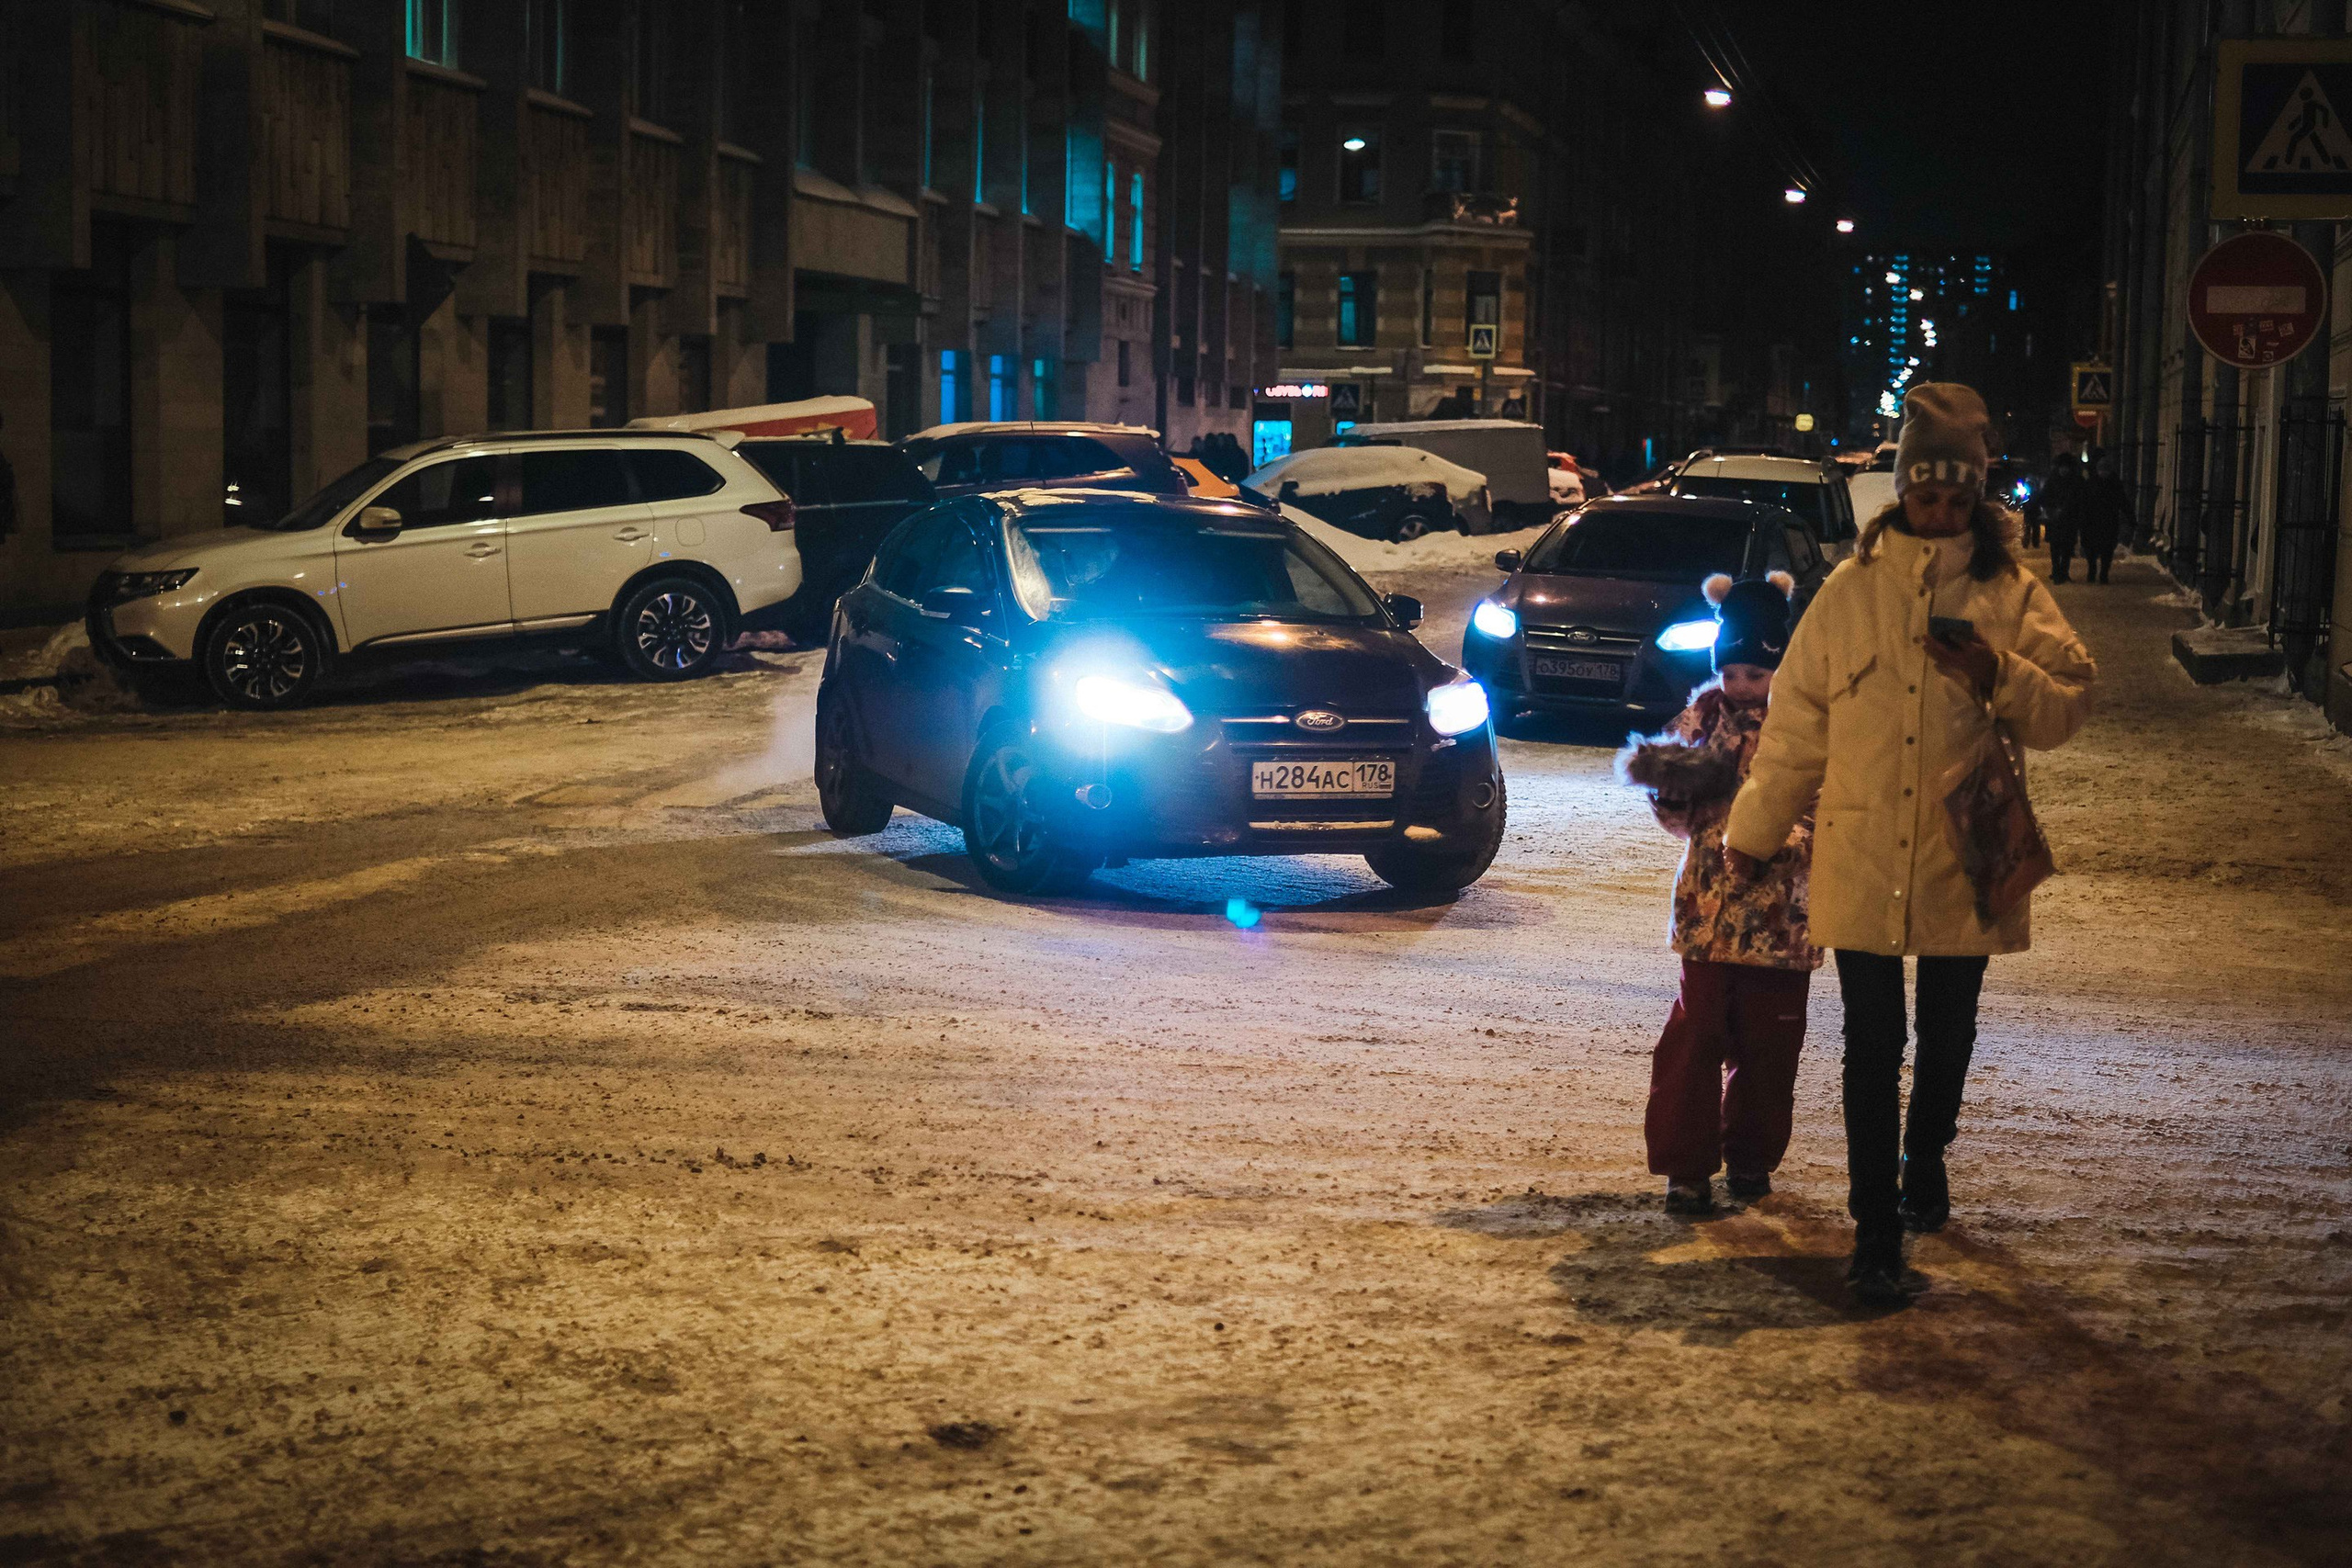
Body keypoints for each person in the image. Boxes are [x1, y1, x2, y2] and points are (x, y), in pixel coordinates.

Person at [1722, 382, 2097, 1304]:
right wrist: (1754, 833)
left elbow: (2068, 704)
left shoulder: (2010, 591)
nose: (1938, 513)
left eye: (1955, 498)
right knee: (1868, 1041)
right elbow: (1798, 723)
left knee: (1947, 1030)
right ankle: (1875, 1228)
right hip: (1860, 843)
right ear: (1900, 492)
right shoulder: (1848, 591)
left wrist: (1996, 671)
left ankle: (1923, 1153)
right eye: (1925, 496)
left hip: (1965, 846)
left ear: (1975, 497)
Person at [1618, 571, 1821, 1216]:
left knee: (1770, 1043)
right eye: (1730, 673)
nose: (1738, 688)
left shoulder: (1808, 724)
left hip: (1779, 913)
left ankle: (1752, 1157)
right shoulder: (1704, 715)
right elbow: (1679, 817)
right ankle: (1686, 1166)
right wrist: (1669, 791)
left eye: (1753, 676)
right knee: (1694, 1036)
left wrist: (1783, 839)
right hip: (1707, 908)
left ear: (1780, 668)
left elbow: (1827, 805)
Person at [2075, 450, 2132, 584]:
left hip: (2109, 521)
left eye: (2106, 470)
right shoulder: (2090, 484)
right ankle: (2092, 570)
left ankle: (2104, 574)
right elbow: (2084, 503)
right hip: (2092, 521)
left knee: (2107, 550)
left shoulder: (2114, 484)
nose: (2103, 473)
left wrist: (2130, 517)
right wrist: (2082, 519)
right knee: (2091, 550)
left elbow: (2123, 502)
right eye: (2101, 470)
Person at [2038, 449, 2084, 583]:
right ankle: (2056, 570)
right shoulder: (2052, 481)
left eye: (2066, 467)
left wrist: (2075, 512)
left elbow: (2080, 499)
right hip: (2055, 519)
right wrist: (2052, 508)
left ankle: (2064, 571)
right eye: (2062, 467)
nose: (2064, 470)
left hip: (2070, 519)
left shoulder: (2076, 482)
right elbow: (2043, 497)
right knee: (2055, 546)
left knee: (2068, 547)